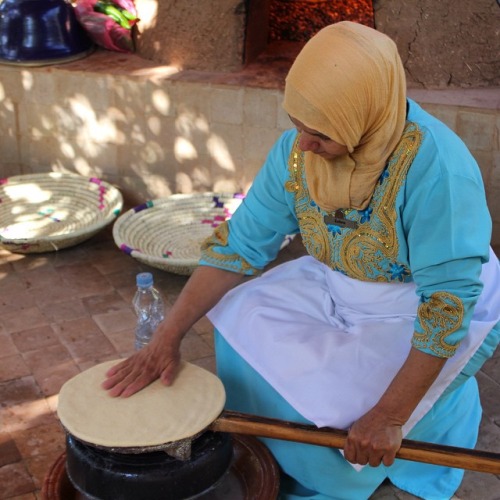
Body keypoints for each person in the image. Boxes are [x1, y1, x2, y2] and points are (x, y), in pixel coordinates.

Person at [103, 21, 500, 499]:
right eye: (298, 124)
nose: (305, 144)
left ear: (363, 117)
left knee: (339, 403)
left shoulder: (439, 172)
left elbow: (445, 305)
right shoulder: (297, 154)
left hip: (416, 303)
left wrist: (389, 416)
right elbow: (238, 246)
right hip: (337, 281)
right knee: (239, 317)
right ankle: (274, 451)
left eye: (321, 134)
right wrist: (166, 338)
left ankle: (340, 473)